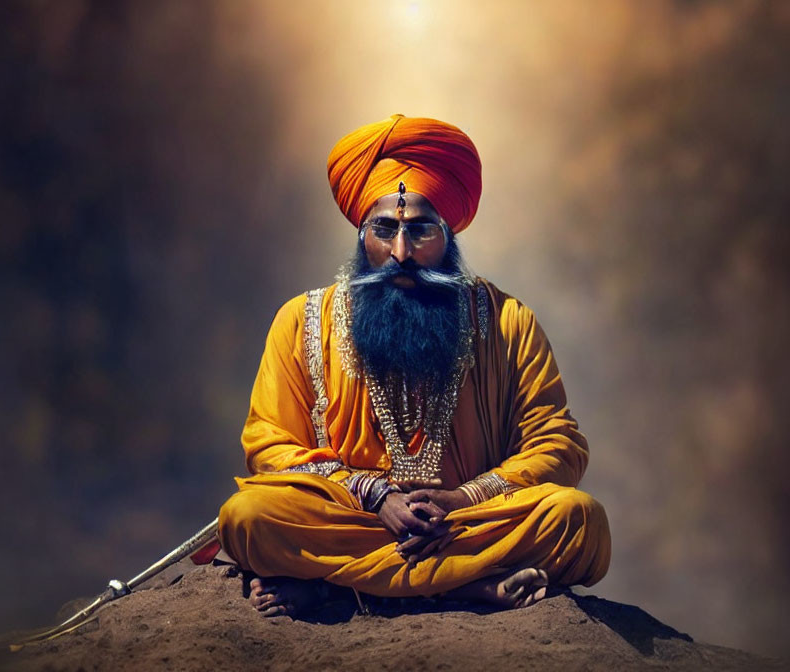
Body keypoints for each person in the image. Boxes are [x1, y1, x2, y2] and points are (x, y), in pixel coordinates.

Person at [209, 114, 611, 617]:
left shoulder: (508, 322)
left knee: (578, 519)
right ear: (362, 233)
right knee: (247, 517)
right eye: (384, 229)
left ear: (449, 235)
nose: (401, 252)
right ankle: (465, 585)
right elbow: (268, 445)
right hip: (355, 519)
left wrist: (460, 501)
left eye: (420, 230)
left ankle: (342, 589)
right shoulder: (301, 321)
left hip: (463, 522)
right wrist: (374, 497)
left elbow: (557, 444)